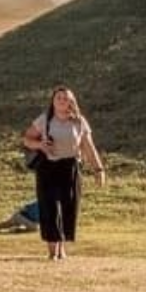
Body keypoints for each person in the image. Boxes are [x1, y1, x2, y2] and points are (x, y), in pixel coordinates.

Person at [22, 85, 106, 261]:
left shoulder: (79, 122)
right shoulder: (44, 120)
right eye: (58, 98)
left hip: (70, 167)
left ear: (71, 102)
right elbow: (27, 139)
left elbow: (88, 147)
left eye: (65, 98)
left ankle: (62, 248)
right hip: (47, 168)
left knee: (68, 207)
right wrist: (40, 145)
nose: (61, 101)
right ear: (53, 101)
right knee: (49, 207)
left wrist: (99, 169)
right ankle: (52, 250)